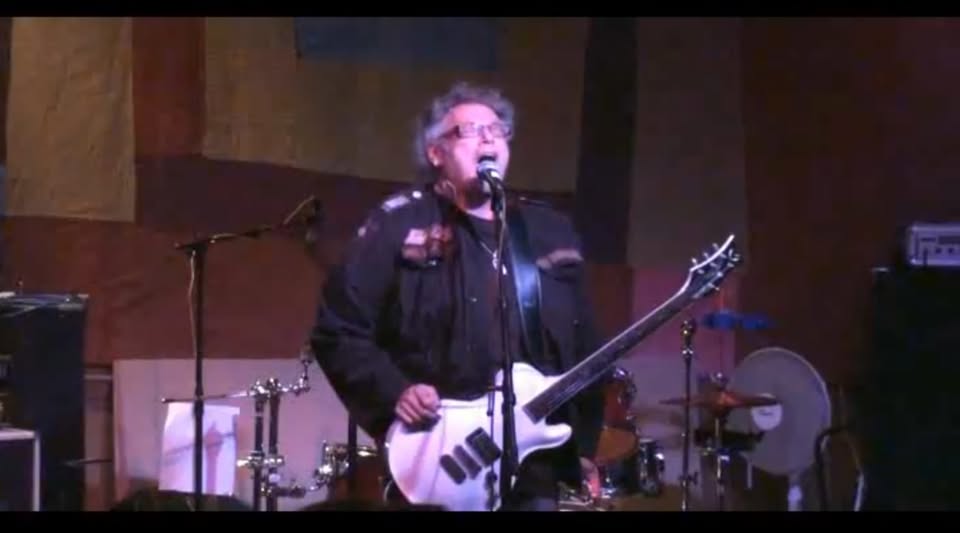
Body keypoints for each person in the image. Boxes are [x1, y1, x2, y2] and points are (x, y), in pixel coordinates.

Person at [309, 81, 605, 511]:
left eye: (497, 130)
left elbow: (586, 346)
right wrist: (395, 391)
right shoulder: (398, 225)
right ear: (436, 153)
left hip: (535, 463)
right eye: (469, 131)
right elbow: (338, 328)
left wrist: (585, 443)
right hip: (439, 456)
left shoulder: (547, 232)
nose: (488, 139)